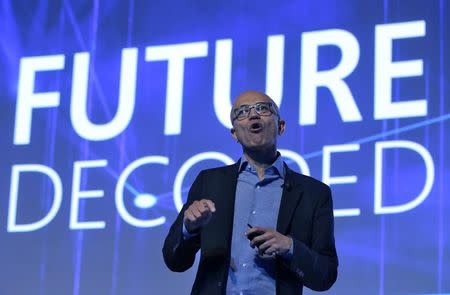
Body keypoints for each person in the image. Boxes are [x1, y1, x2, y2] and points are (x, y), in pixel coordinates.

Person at [163, 91, 338, 295]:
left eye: (262, 108)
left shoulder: (314, 194)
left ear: (281, 126)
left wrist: (289, 247)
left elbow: (325, 275)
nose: (253, 115)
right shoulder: (209, 182)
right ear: (234, 134)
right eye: (242, 112)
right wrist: (188, 229)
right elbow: (174, 260)